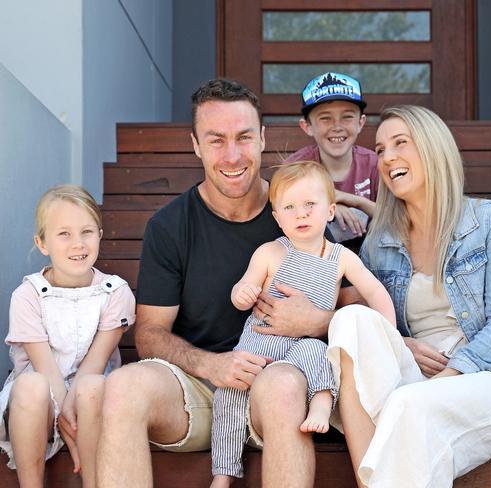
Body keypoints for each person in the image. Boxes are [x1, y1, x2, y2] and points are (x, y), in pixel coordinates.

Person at [96, 79, 342, 488]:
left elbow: (352, 311)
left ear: (262, 138)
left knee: (282, 388)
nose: (232, 155)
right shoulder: (171, 225)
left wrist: (315, 321)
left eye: (244, 137)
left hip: (272, 381)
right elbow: (151, 333)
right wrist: (210, 364)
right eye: (216, 140)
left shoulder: (297, 213)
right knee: (123, 387)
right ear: (195, 144)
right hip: (194, 390)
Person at [326, 105, 491, 487]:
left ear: (433, 147)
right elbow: (377, 324)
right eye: (382, 149)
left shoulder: (489, 220)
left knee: (409, 406)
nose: (387, 158)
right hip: (413, 379)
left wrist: (450, 374)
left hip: (488, 378)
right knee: (349, 319)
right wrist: (403, 345)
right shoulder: (380, 239)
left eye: (400, 143)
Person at [211, 161, 395, 486]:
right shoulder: (270, 252)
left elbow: (374, 291)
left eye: (310, 204)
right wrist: (244, 293)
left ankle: (321, 407)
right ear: (277, 218)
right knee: (227, 396)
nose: (301, 214)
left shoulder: (341, 257)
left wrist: (389, 333)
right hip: (256, 348)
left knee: (317, 352)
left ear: (330, 210)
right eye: (290, 207)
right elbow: (242, 287)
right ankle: (223, 473)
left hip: (298, 352)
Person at [0, 184, 135, 487]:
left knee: (90, 385)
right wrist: (65, 423)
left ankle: (93, 481)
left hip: (91, 395)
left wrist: (71, 423)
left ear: (100, 235)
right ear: (42, 243)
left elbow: (95, 363)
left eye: (87, 232)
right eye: (64, 234)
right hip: (38, 401)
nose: (78, 244)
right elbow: (46, 371)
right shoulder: (27, 296)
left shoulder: (116, 293)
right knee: (32, 385)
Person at [285, 72, 379, 244]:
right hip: (315, 258)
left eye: (347, 117)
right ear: (307, 126)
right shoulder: (295, 167)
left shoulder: (374, 164)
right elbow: (286, 213)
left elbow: (395, 218)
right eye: (325, 118)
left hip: (369, 259)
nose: (337, 127)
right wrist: (328, 208)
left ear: (361, 123)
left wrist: (350, 199)